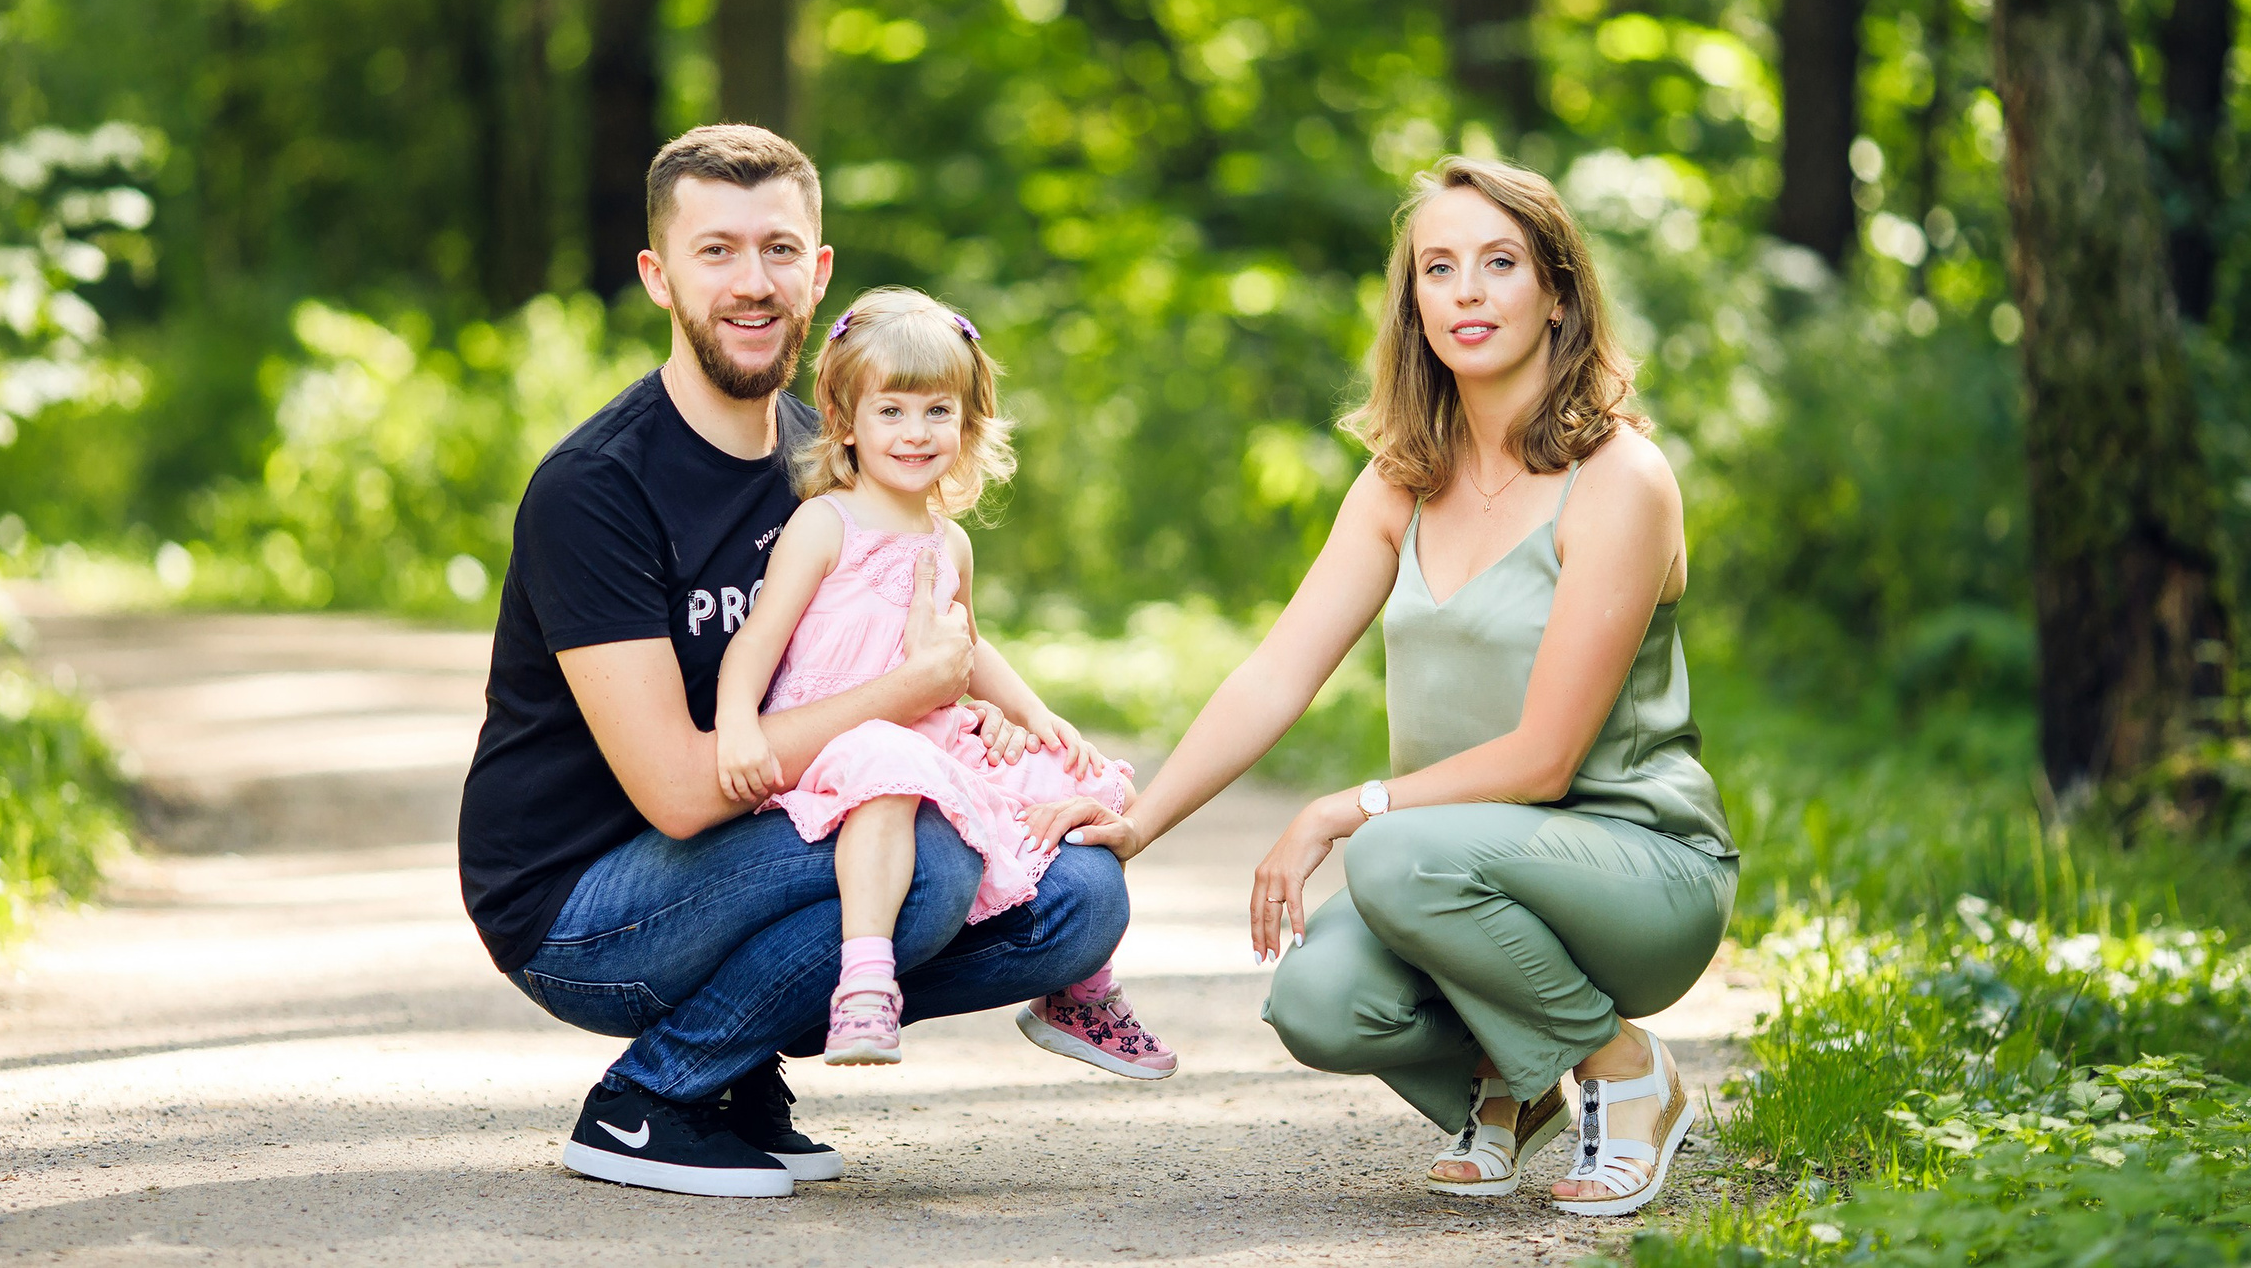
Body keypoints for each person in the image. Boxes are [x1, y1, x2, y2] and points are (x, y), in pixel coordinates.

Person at [1025, 157, 1738, 1219]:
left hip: (1636, 869)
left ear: (1555, 290)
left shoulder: (1619, 479)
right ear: (1412, 305)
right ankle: (1512, 1086)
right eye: (1436, 268)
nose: (1465, 291)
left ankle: (1628, 1072)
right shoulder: (1404, 475)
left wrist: (1338, 811)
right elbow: (1277, 672)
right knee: (1318, 1002)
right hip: (1458, 867)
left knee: (1391, 848)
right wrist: (1136, 825)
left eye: (1498, 263)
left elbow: (1544, 760)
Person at [457, 124, 1129, 1201]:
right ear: (657, 276)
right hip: (585, 902)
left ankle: (740, 1061)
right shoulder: (598, 489)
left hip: (769, 842)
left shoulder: (837, 455)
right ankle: (653, 1097)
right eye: (714, 251)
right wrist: (907, 696)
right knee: (930, 847)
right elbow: (682, 793)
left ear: (818, 272)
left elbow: (937, 628)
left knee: (1081, 895)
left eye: (778, 250)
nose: (751, 282)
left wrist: (1014, 727)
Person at [712, 286, 1174, 1077]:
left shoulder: (948, 540)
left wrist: (1032, 712)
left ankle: (1080, 985)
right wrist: (736, 723)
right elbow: (756, 641)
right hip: (842, 738)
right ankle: (864, 980)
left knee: (1079, 777)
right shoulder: (826, 525)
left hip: (926, 731)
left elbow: (970, 645)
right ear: (847, 419)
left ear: (967, 423)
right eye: (891, 410)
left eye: (937, 411)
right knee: (888, 773)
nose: (916, 432)